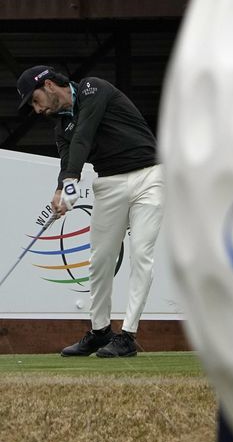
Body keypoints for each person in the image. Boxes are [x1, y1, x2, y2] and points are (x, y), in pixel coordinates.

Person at [16, 65, 163, 358]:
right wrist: (61, 191)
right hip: (109, 183)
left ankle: (128, 336)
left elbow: (84, 134)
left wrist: (70, 180)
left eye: (34, 100)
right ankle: (100, 331)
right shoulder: (60, 128)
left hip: (149, 176)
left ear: (48, 85)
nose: (37, 109)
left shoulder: (93, 89)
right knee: (100, 259)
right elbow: (67, 161)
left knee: (141, 255)